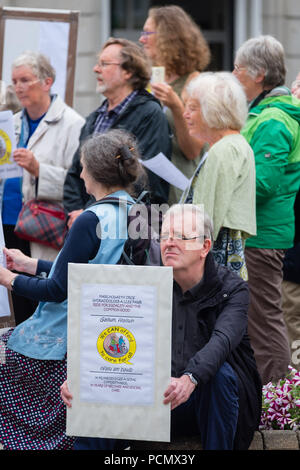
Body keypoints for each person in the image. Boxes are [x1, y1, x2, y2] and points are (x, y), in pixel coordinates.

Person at [61, 204, 262, 450]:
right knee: (94, 393)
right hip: (152, 398)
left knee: (218, 375)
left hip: (205, 403)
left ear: (205, 247)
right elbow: (112, 338)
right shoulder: (145, 283)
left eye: (181, 237)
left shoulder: (232, 289)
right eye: (165, 236)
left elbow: (222, 340)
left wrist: (191, 377)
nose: (169, 243)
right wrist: (85, 377)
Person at [0, 129, 145, 450]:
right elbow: (96, 274)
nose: (79, 174)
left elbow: (57, 290)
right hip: (115, 333)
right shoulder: (140, 212)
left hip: (68, 340)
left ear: (94, 172)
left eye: (82, 167)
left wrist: (7, 278)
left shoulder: (89, 219)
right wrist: (30, 264)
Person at [233, 35, 300, 384]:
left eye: (238, 68)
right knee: (259, 315)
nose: (233, 74)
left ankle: (277, 397)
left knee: (264, 317)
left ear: (259, 74)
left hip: (263, 234)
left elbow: (263, 185)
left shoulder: (273, 119)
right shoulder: (266, 114)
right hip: (258, 231)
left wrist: (225, 186)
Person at [2, 51, 85, 325]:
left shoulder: (73, 124)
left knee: (39, 302)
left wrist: (39, 169)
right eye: (15, 81)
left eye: (25, 79)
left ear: (47, 82)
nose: (19, 87)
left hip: (42, 230)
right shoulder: (10, 123)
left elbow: (82, 183)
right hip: (8, 223)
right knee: (12, 302)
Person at [63, 37, 171, 228]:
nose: (96, 69)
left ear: (128, 71)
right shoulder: (94, 118)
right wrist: (76, 214)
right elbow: (74, 174)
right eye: (98, 64)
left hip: (127, 229)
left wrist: (91, 213)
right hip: (87, 224)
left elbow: (145, 178)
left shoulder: (149, 115)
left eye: (104, 64)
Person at [181, 72, 256, 280]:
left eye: (193, 108)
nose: (185, 114)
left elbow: (207, 217)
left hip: (213, 261)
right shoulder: (233, 145)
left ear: (212, 110)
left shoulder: (224, 150)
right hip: (223, 256)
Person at [139, 5, 211, 205]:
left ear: (167, 37)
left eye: (147, 32)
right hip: (148, 192)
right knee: (142, 236)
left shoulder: (195, 82)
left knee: (174, 237)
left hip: (178, 195)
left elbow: (193, 151)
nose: (141, 39)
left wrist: (176, 106)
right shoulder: (149, 79)